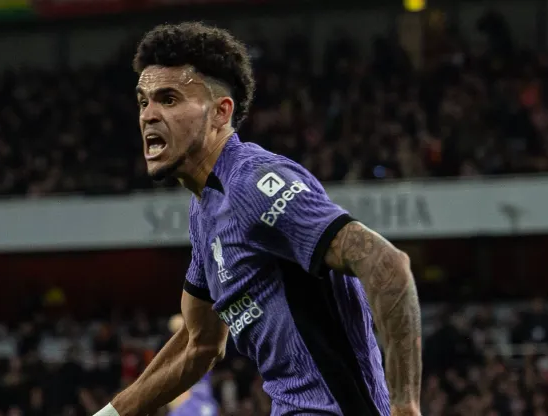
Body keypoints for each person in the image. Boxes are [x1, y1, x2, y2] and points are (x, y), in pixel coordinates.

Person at [94, 22, 422, 416]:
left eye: (169, 99)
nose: (149, 115)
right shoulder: (204, 210)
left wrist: (406, 406)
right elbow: (199, 343)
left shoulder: (252, 182)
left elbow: (387, 265)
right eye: (143, 101)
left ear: (220, 112)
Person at [165, 314, 218, 416]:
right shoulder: (171, 356)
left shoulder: (201, 350)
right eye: (175, 333)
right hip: (188, 403)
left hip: (201, 402)